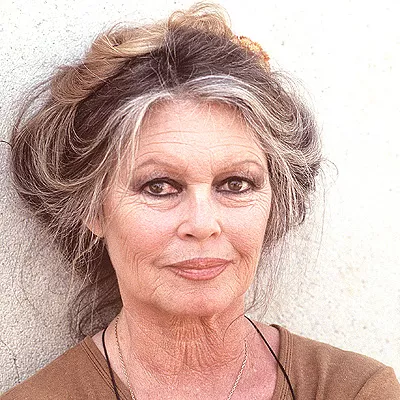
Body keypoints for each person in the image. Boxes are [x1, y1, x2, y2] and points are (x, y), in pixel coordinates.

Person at [2, 2, 399, 399]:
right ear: (93, 208)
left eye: (236, 184)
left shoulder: (353, 390)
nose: (203, 223)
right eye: (159, 187)